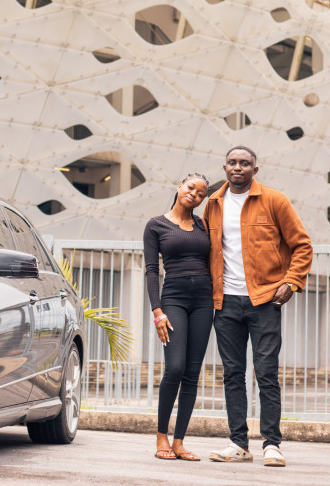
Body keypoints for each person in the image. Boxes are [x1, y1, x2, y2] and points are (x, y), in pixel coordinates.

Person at [203, 146, 313, 467]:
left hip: (264, 300)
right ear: (225, 168)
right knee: (233, 374)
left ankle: (271, 444)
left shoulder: (274, 200)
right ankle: (238, 443)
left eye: (245, 163)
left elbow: (302, 245)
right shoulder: (213, 203)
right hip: (225, 303)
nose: (238, 167)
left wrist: (291, 282)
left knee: (266, 373)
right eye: (233, 163)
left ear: (255, 168)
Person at [144, 173, 213, 461]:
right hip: (173, 299)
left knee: (192, 373)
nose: (194, 195)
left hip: (204, 301)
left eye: (201, 194)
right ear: (179, 187)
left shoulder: (204, 225)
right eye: (191, 188)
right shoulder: (156, 225)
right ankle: (161, 436)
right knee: (174, 367)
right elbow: (151, 270)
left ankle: (179, 441)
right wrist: (157, 311)